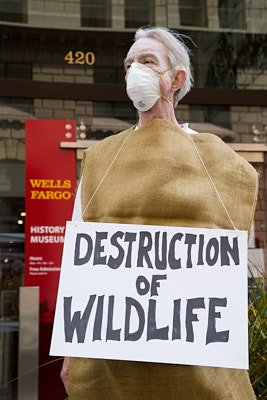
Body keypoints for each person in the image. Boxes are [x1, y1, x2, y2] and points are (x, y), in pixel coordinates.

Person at [61, 26, 258, 399]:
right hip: (112, 353)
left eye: (147, 61)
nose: (134, 70)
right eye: (128, 64)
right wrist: (71, 351)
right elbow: (80, 258)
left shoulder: (220, 163)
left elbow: (225, 265)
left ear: (176, 78)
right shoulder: (101, 158)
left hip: (192, 356)